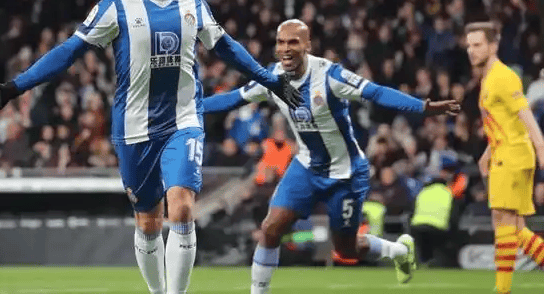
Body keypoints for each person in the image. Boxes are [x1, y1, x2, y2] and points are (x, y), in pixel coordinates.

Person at [0, 0, 301, 294]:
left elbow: (227, 48)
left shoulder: (193, 3)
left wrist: (270, 81)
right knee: (148, 222)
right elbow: (68, 52)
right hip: (134, 128)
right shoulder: (116, 6)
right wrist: (14, 88)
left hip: (183, 121)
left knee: (182, 208)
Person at [202, 19, 460, 294]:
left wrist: (422, 107)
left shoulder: (330, 76)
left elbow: (376, 92)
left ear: (307, 46)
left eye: (293, 42)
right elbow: (233, 98)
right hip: (307, 167)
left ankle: (398, 251)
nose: (286, 48)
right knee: (271, 228)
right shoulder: (273, 78)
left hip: (345, 173)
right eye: (281, 42)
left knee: (346, 249)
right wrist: (187, 109)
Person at [465, 22, 544, 294]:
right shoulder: (489, 78)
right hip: (505, 154)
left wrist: (541, 148)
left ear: (493, 46)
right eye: (469, 45)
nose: (471, 50)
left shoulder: (503, 77)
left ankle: (502, 289)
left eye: (477, 45)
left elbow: (526, 115)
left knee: (503, 223)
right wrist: (487, 153)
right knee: (515, 228)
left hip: (512, 157)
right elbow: (506, 121)